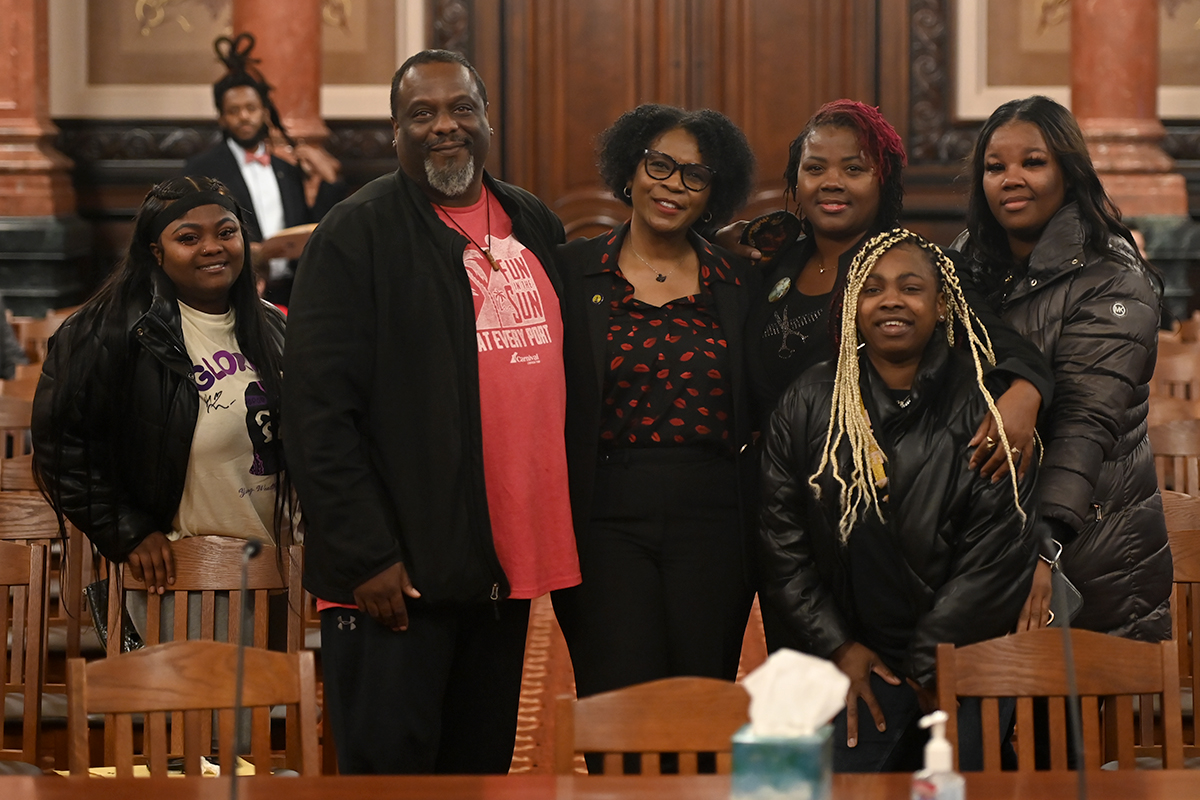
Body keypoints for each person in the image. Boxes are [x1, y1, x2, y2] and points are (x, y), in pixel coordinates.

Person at [282, 49, 583, 775]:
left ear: (486, 121)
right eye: (422, 113)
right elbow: (317, 413)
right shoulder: (357, 234)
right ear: (395, 131)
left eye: (461, 110)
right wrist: (366, 555)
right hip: (397, 576)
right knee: (391, 779)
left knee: (476, 772)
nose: (445, 126)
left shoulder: (533, 220)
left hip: (499, 569)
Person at [723, 100, 1053, 653]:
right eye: (815, 168)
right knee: (814, 698)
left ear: (884, 179)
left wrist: (1026, 391)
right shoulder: (778, 262)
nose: (833, 183)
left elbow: (1007, 345)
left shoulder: (910, 267)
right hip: (789, 522)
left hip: (882, 516)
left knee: (890, 697)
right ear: (794, 180)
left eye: (854, 168)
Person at [759, 228, 1038, 772]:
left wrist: (931, 663)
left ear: (941, 305)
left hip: (962, 662)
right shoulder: (809, 400)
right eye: (873, 289)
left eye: (911, 288)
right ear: (852, 307)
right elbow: (781, 543)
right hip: (852, 664)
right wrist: (839, 646)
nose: (891, 300)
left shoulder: (986, 403)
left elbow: (996, 553)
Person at [553, 105, 757, 720]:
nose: (672, 184)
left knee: (701, 701)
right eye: (660, 165)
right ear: (630, 169)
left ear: (714, 193)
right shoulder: (571, 272)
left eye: (694, 175)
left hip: (715, 517)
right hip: (605, 512)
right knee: (619, 701)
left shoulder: (739, 280)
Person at [955, 95, 1172, 640]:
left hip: (1087, 543)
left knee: (1068, 723)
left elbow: (1084, 423)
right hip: (985, 532)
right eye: (994, 166)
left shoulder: (1113, 276)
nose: (1011, 179)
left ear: (1068, 170)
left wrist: (1042, 549)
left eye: (1033, 162)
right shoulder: (965, 259)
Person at [31, 176, 287, 591]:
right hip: (178, 572)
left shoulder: (271, 324)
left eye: (227, 232)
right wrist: (127, 530)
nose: (212, 247)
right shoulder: (108, 331)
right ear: (157, 253)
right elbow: (61, 448)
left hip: (273, 567)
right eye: (188, 237)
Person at [183, 33, 344, 306]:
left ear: (264, 112)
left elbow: (315, 227)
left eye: (251, 108)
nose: (244, 116)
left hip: (293, 292)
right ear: (221, 117)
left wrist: (327, 175)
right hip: (236, 294)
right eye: (234, 110)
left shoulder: (286, 169)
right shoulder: (202, 170)